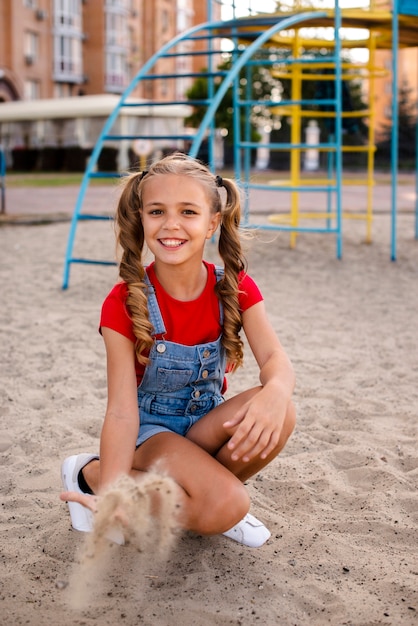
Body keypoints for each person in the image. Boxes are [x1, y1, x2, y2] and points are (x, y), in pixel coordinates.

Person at [61, 152, 296, 548]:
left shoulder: (234, 287)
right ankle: (92, 475)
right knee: (228, 505)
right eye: (157, 211)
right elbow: (120, 410)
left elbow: (275, 360)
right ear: (142, 218)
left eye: (188, 211)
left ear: (212, 223)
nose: (171, 224)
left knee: (281, 412)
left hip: (202, 424)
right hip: (150, 435)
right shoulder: (123, 302)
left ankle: (206, 494)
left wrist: (276, 390)